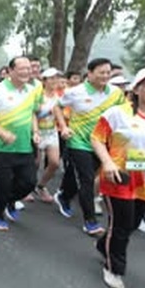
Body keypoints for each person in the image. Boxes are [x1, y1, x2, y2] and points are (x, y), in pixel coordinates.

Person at [91, 66, 145, 288]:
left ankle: (104, 245)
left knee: (130, 224)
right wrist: (108, 162)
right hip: (118, 178)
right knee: (120, 226)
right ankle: (114, 269)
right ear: (136, 89)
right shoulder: (118, 113)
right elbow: (97, 138)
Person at [53, 58, 124, 236]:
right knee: (86, 180)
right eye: (101, 72)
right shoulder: (76, 92)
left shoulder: (116, 93)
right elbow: (57, 107)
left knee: (80, 175)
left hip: (102, 143)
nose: (105, 76)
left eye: (108, 72)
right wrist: (64, 126)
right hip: (79, 142)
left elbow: (123, 114)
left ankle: (63, 195)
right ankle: (90, 221)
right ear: (90, 74)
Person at [0, 56, 41, 231]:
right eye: (22, 69)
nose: (26, 72)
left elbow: (32, 114)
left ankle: (10, 200)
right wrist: (2, 133)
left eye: (28, 69)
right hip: (3, 147)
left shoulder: (32, 90)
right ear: (10, 71)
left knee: (29, 182)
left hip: (25, 146)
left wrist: (36, 131)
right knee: (2, 184)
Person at [33, 68, 63, 203]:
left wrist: (64, 127)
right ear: (44, 81)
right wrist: (35, 131)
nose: (54, 81)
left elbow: (62, 114)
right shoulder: (38, 95)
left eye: (56, 78)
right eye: (51, 78)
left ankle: (41, 186)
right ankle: (27, 187)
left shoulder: (60, 97)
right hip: (37, 132)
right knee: (35, 163)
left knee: (54, 163)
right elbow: (32, 114)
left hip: (51, 132)